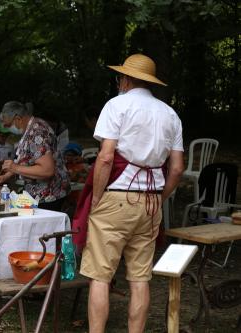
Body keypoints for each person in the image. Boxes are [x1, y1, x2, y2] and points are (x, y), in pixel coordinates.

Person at [74, 54, 184, 333]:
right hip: (150, 202)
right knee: (139, 279)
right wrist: (160, 199)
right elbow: (177, 169)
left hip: (116, 198)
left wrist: (97, 198)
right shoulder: (170, 114)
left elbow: (106, 157)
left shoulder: (117, 105)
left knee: (100, 275)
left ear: (125, 79)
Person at [0, 101, 70, 212]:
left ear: (18, 119)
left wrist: (15, 168)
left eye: (8, 125)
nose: (8, 130)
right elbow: (29, 160)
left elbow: (47, 170)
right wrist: (8, 175)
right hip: (39, 195)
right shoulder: (30, 129)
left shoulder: (37, 132)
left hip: (49, 196)